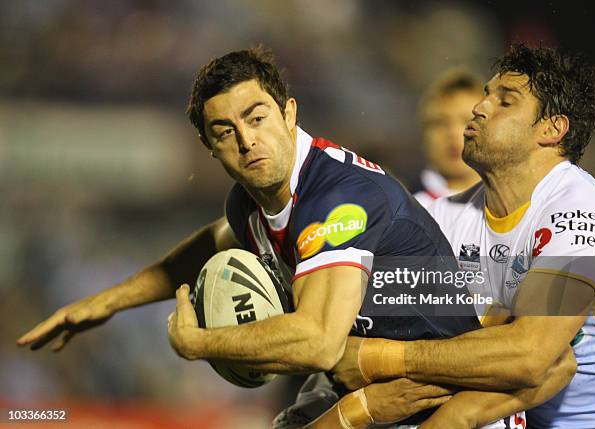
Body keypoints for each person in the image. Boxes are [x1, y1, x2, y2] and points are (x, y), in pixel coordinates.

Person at [18, 47, 488, 428]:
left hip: (446, 401)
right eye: (226, 131)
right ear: (210, 147)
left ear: (289, 113)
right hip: (373, 390)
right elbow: (211, 243)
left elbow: (317, 341)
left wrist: (199, 344)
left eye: (256, 118)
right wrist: (106, 303)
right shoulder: (249, 202)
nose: (246, 141)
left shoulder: (339, 198)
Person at [332, 44, 595, 428]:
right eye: (485, 94)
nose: (478, 108)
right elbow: (356, 311)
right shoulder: (442, 215)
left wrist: (377, 355)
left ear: (552, 129)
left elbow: (531, 355)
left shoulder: (581, 211)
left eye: (505, 101)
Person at [410, 68, 482, 207]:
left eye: (468, 120)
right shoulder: (405, 209)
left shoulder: (519, 204)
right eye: (440, 123)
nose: (454, 133)